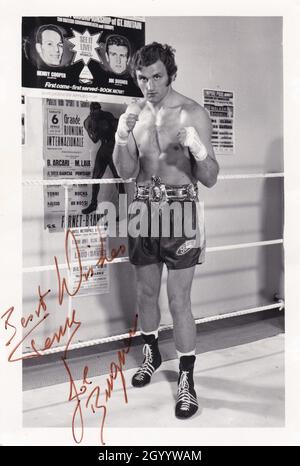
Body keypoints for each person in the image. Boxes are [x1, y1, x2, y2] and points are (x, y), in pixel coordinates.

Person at [113, 42, 219, 419]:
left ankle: (187, 381)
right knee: (144, 293)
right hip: (142, 207)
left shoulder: (193, 113)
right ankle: (151, 353)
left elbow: (211, 178)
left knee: (179, 301)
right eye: (142, 78)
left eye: (157, 76)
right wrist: (120, 139)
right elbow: (126, 171)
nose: (149, 85)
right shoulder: (134, 113)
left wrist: (198, 151)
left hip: (181, 209)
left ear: (170, 73)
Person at [82, 102, 125, 215]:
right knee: (96, 177)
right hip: (104, 148)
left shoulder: (107, 116)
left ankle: (123, 209)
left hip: (114, 147)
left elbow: (120, 131)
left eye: (98, 110)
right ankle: (93, 204)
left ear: (100, 109)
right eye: (94, 111)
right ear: (91, 111)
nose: (97, 112)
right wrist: (94, 128)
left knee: (118, 178)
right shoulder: (88, 121)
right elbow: (95, 140)